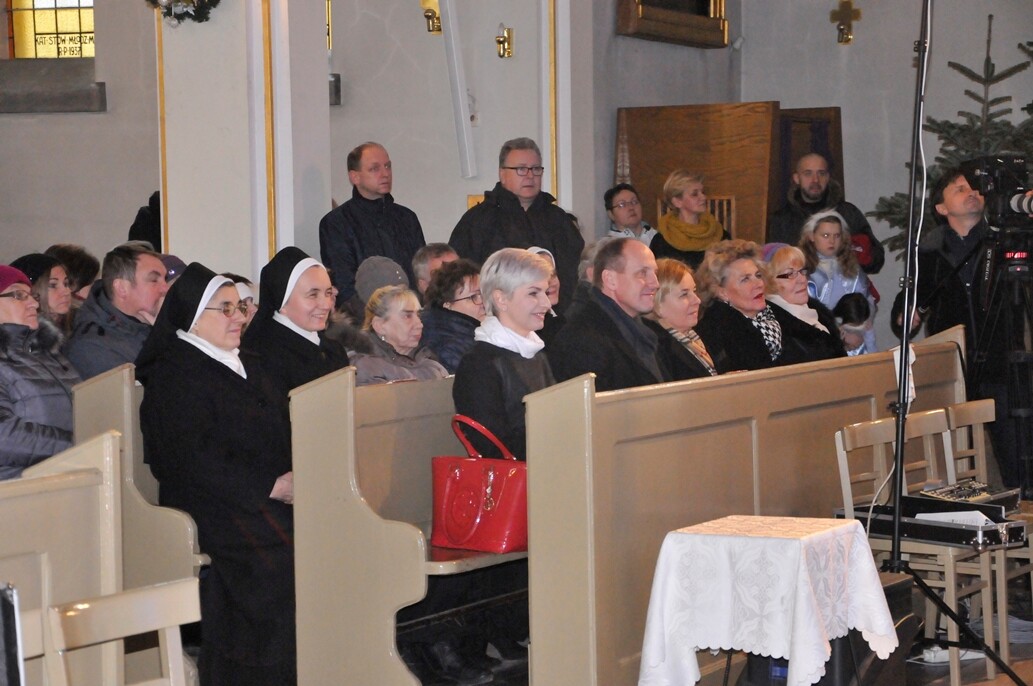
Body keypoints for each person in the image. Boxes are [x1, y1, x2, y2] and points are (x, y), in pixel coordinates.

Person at [136, 263, 296, 685]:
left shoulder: (252, 364)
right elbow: (187, 459)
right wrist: (270, 485)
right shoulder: (173, 374)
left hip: (267, 497)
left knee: (329, 537)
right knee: (284, 562)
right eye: (224, 309)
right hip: (210, 503)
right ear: (192, 316)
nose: (239, 317)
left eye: (240, 307)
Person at [891, 168, 1024, 486]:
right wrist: (905, 315)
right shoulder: (928, 254)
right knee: (958, 458)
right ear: (941, 208)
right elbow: (909, 304)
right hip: (954, 370)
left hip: (1002, 365)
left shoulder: (1003, 242)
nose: (972, 193)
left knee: (1015, 450)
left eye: (975, 189)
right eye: (960, 189)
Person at [449, 137, 584, 311]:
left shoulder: (559, 220)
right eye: (521, 169)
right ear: (502, 174)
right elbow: (461, 278)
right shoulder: (477, 221)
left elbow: (576, 274)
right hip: (499, 320)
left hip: (557, 322)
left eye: (535, 169)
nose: (530, 176)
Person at [453, 248, 556, 460]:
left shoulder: (536, 353)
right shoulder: (479, 364)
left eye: (545, 292)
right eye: (533, 293)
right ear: (501, 299)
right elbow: (492, 446)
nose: (546, 303)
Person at [318, 142, 427, 316]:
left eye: (387, 166)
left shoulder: (407, 218)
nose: (385, 174)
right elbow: (344, 284)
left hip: (411, 315)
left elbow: (420, 272)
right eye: (374, 169)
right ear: (355, 177)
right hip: (365, 322)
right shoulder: (336, 223)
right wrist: (378, 319)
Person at [548, 238, 669, 391]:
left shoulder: (644, 332)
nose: (655, 283)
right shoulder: (582, 340)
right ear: (610, 279)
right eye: (642, 273)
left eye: (655, 273)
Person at [0, 265, 81, 480]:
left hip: (67, 481)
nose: (34, 303)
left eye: (32, 295)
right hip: (19, 494)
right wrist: (79, 443)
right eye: (19, 295)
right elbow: (4, 437)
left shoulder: (48, 352)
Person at [241, 247, 349, 400]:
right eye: (313, 295)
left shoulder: (334, 350)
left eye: (328, 293)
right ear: (283, 303)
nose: (326, 305)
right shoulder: (261, 357)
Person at [64, 241, 169, 380]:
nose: (166, 288)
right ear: (121, 288)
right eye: (154, 280)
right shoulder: (92, 347)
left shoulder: (149, 327)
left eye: (165, 279)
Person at [767, 152, 884, 274]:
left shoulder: (848, 213)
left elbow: (876, 260)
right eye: (808, 173)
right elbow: (774, 270)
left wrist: (851, 256)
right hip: (798, 289)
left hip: (845, 289)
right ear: (797, 178)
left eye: (821, 173)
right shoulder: (782, 219)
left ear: (828, 177)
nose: (815, 180)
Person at [695, 239, 784, 373]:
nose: (759, 284)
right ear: (722, 292)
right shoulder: (716, 331)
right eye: (745, 279)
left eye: (758, 275)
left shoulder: (773, 314)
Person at [800, 210, 877, 353]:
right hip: (821, 341)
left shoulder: (852, 269)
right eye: (825, 235)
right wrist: (837, 332)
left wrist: (857, 329)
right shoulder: (803, 272)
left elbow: (867, 303)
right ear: (811, 236)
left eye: (837, 236)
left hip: (857, 340)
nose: (831, 241)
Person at [764, 245, 846, 364]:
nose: (802, 280)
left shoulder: (817, 313)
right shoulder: (774, 329)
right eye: (790, 274)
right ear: (769, 282)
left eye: (802, 271)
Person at [351, 285, 447, 385]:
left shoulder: (430, 362)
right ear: (379, 325)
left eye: (418, 315)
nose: (419, 324)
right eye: (407, 316)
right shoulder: (365, 367)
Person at [643, 258, 717, 380]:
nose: (697, 301)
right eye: (684, 294)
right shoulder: (656, 350)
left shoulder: (696, 337)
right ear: (657, 304)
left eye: (694, 291)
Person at [650, 170, 729, 270]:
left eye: (703, 192)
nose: (703, 197)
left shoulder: (720, 234)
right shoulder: (661, 242)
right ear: (677, 202)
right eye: (695, 194)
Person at [419, 258, 485, 374]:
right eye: (473, 297)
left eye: (484, 294)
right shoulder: (448, 348)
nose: (483, 303)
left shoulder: (469, 335)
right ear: (448, 305)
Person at [11, 253, 74, 335]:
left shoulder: (79, 325)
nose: (67, 292)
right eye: (53, 285)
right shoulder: (23, 336)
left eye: (66, 284)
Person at [526, 246, 565, 345]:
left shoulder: (561, 323)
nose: (552, 282)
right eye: (543, 276)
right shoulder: (525, 328)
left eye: (553, 274)